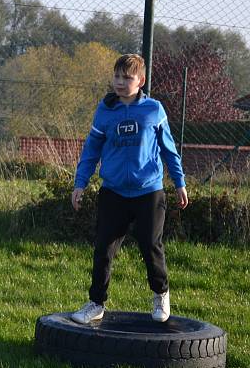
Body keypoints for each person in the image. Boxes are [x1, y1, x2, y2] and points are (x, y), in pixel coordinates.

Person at [70, 53, 188, 325]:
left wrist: (179, 183)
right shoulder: (105, 111)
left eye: (127, 77)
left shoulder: (153, 110)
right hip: (113, 191)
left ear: (141, 80)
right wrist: (81, 183)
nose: (120, 82)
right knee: (103, 248)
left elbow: (169, 150)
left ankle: (160, 294)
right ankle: (96, 303)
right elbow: (91, 150)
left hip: (149, 191)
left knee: (150, 244)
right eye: (117, 76)